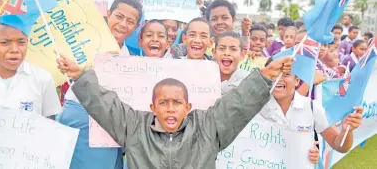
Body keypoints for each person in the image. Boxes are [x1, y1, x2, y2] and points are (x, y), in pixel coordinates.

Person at [57, 51, 295, 169]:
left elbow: (239, 103)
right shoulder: (134, 125)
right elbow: (104, 104)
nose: (170, 109)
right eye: (163, 103)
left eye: (177, 103)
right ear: (152, 107)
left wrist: (265, 76)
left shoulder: (207, 126)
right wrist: (79, 75)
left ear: (188, 107)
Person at [58, 0, 143, 169]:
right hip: (79, 120)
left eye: (130, 21)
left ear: (136, 26)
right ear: (109, 13)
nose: (122, 25)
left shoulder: (133, 61)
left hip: (112, 128)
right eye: (119, 17)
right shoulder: (80, 44)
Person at [260, 60, 363, 156]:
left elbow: (340, 146)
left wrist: (347, 131)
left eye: (286, 74)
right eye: (274, 73)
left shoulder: (311, 107)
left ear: (296, 80)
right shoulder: (253, 104)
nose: (278, 78)